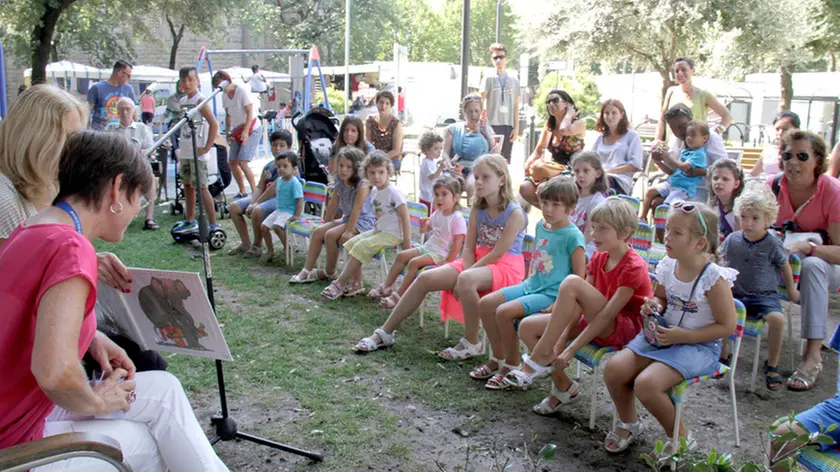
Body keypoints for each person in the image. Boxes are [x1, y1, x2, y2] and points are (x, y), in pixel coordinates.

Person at [0, 130, 229, 471]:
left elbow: (26, 318)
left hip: (18, 410)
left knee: (163, 390)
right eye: (139, 197)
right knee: (153, 444)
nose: (138, 211)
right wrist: (96, 401)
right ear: (117, 189)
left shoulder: (32, 228)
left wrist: (93, 337)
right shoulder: (70, 247)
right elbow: (55, 373)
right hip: (15, 440)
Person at [0, 85, 166, 373]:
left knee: (144, 357)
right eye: (71, 140)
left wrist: (90, 261)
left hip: (39, 339)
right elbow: (17, 298)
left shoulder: (37, 187)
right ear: (36, 140)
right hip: (22, 355)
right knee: (147, 365)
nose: (78, 152)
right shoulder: (5, 199)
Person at [353, 154, 526, 358]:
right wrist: (466, 270)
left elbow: (498, 254)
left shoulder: (515, 213)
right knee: (426, 278)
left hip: (506, 266)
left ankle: (471, 342)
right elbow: (469, 249)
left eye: (485, 177)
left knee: (467, 280)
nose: (478, 182)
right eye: (476, 177)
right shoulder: (477, 208)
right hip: (477, 261)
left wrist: (465, 275)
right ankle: (385, 332)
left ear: (502, 179)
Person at [602, 201, 737, 453]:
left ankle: (681, 439)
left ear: (700, 243)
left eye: (677, 233)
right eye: (667, 229)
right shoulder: (666, 265)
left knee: (647, 384)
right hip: (663, 336)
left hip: (699, 346)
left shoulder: (713, 278)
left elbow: (727, 326)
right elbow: (661, 298)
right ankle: (629, 422)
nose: (667, 237)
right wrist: (653, 305)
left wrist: (684, 335)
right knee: (614, 369)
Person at [506, 198, 652, 411]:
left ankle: (535, 361)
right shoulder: (600, 257)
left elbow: (606, 316)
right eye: (594, 227)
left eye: (603, 229)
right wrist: (561, 340)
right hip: (595, 317)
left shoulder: (634, 266)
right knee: (528, 327)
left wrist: (571, 349)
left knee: (572, 282)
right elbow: (580, 304)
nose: (594, 234)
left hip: (621, 327)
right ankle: (563, 387)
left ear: (624, 233)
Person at [470, 177, 586, 390]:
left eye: (556, 205)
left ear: (570, 208)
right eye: (545, 203)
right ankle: (498, 357)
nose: (548, 209)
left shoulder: (573, 236)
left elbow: (579, 279)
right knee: (486, 304)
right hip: (532, 284)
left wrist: (561, 306)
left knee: (504, 312)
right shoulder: (542, 226)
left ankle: (511, 364)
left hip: (552, 294)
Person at [766, 130, 840, 391]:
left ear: (818, 160)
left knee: (813, 267)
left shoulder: (832, 191)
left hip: (827, 264)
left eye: (802, 156)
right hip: (783, 263)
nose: (793, 162)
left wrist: (807, 247)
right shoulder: (772, 186)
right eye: (787, 155)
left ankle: (813, 355)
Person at [720, 182, 798, 390]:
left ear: (767, 219)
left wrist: (791, 289)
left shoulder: (772, 243)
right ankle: (723, 353)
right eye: (744, 217)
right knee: (720, 308)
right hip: (736, 292)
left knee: (777, 319)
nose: (748, 223)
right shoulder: (732, 239)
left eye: (755, 218)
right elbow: (720, 258)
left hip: (764, 295)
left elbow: (785, 266)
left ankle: (772, 363)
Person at [321, 151, 411, 299]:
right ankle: (356, 284)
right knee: (350, 244)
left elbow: (405, 217)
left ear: (389, 171)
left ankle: (339, 283)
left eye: (381, 172)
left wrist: (406, 242)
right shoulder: (374, 190)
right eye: (372, 172)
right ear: (366, 174)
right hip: (379, 231)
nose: (376, 176)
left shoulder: (394, 193)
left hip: (392, 235)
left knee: (361, 246)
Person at [368, 176, 466, 309]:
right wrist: (424, 226)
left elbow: (457, 245)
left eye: (444, 194)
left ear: (456, 197)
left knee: (414, 263)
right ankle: (386, 287)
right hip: (428, 247)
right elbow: (427, 229)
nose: (439, 198)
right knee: (401, 256)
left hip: (440, 254)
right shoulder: (438, 212)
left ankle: (399, 295)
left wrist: (448, 262)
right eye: (437, 194)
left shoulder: (457, 219)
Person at [289, 147, 374, 283]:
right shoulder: (340, 180)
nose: (343, 169)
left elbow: (357, 209)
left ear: (357, 168)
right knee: (318, 232)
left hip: (362, 222)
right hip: (347, 218)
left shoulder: (362, 185)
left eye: (348, 167)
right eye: (341, 165)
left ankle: (330, 272)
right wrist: (326, 223)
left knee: (330, 235)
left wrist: (349, 231)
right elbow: (333, 203)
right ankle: (306, 271)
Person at [228, 129, 293, 257]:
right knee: (233, 207)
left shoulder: (291, 165)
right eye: (274, 145)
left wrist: (256, 203)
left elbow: (274, 189)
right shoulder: (269, 166)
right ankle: (245, 243)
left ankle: (257, 245)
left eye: (282, 145)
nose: (277, 149)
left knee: (257, 210)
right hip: (265, 198)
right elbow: (260, 187)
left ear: (289, 147)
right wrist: (252, 201)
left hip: (281, 201)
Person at [651, 104, 728, 206]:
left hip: (703, 188)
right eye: (673, 129)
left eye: (682, 126)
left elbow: (725, 168)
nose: (679, 132)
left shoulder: (711, 138)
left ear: (690, 120)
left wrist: (704, 171)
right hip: (680, 186)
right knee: (656, 202)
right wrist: (659, 161)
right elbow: (673, 171)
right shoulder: (676, 140)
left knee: (680, 208)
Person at [174, 67, 220, 234]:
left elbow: (214, 124)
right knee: (187, 186)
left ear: (197, 81)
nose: (187, 83)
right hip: (186, 151)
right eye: (183, 80)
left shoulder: (201, 101)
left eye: (190, 80)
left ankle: (213, 223)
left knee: (202, 187)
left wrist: (207, 147)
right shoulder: (183, 101)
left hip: (198, 152)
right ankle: (189, 219)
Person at [520, 90, 585, 208]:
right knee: (525, 188)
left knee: (542, 189)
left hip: (573, 170)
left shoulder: (579, 124)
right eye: (548, 101)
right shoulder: (549, 125)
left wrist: (569, 114)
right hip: (553, 169)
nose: (551, 104)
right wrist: (528, 166)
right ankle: (553, 215)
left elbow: (564, 130)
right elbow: (538, 150)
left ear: (566, 103)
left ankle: (560, 217)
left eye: (555, 100)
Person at [641, 120, 710, 219]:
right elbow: (673, 172)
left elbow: (683, 167)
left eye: (693, 135)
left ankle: (664, 228)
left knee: (666, 207)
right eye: (687, 135)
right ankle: (642, 218)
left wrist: (667, 157)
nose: (689, 138)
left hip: (682, 188)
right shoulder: (685, 152)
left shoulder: (699, 155)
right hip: (671, 183)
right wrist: (659, 161)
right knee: (650, 192)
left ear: (704, 138)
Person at [654, 56, 732, 142]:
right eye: (676, 71)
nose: (680, 73)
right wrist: (657, 140)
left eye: (683, 70)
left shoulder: (703, 95)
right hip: (674, 148)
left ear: (692, 71)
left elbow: (727, 116)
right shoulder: (671, 92)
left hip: (695, 149)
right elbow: (662, 119)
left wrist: (715, 133)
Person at [111, 97, 158, 231]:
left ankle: (149, 218)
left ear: (133, 111)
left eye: (128, 109)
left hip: (138, 165)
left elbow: (149, 148)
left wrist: (135, 156)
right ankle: (118, 216)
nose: (125, 112)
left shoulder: (142, 128)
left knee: (151, 179)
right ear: (117, 112)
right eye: (122, 109)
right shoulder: (111, 128)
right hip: (118, 167)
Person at [212, 71, 260, 199]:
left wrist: (246, 131)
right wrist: (227, 131)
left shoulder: (241, 91)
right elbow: (228, 114)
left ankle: (255, 191)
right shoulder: (224, 96)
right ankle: (242, 191)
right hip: (237, 128)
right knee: (233, 161)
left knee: (243, 161)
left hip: (251, 127)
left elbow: (250, 112)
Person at [444, 94, 498, 200]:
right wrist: (450, 167)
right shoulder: (453, 129)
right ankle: (450, 213)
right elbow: (445, 153)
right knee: (447, 183)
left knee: (472, 184)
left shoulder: (486, 129)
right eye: (470, 111)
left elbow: (496, 153)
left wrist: (485, 132)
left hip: (478, 168)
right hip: (457, 167)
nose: (473, 115)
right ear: (464, 112)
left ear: (481, 112)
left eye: (476, 111)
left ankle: (471, 214)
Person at [592, 99, 643, 195]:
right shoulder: (600, 138)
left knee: (601, 184)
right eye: (606, 113)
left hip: (619, 180)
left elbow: (635, 165)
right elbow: (591, 159)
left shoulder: (632, 136)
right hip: (597, 177)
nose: (610, 116)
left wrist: (607, 171)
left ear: (622, 115)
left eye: (614, 113)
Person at [260, 151, 303, 263]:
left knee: (277, 227)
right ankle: (270, 250)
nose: (281, 169)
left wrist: (297, 215)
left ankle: (288, 248)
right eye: (279, 166)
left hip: (289, 211)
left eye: (285, 166)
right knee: (264, 227)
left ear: (293, 168)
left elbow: (299, 199)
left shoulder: (294, 182)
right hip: (279, 210)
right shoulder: (279, 180)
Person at [481, 43, 520, 162]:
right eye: (495, 58)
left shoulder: (514, 79)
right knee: (491, 159)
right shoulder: (488, 78)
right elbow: (481, 101)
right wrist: (482, 124)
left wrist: (516, 128)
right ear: (492, 60)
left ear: (506, 59)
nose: (498, 60)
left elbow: (515, 105)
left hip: (508, 125)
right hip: (491, 124)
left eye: (501, 57)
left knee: (505, 160)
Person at [570, 151, 608, 258]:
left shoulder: (597, 202)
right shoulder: (572, 196)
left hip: (587, 250)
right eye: (577, 171)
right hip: (570, 244)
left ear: (598, 173)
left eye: (586, 170)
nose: (580, 175)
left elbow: (588, 235)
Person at [87, 60, 136, 130]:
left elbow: (133, 112)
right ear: (119, 72)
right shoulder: (96, 88)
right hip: (100, 132)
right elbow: (88, 111)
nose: (129, 78)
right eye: (128, 75)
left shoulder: (129, 89)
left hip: (121, 132)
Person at [751, 111, 800, 177]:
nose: (780, 132)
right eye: (777, 129)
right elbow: (753, 174)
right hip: (766, 185)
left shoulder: (802, 152)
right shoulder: (769, 150)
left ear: (797, 130)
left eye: (785, 129)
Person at [366, 91, 404, 174]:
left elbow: (396, 150)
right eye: (381, 102)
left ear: (391, 106)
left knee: (377, 168)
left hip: (392, 158)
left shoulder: (396, 123)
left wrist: (379, 159)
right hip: (374, 157)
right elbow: (368, 144)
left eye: (387, 103)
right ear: (376, 103)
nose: (384, 106)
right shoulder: (370, 121)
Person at [706, 158, 744, 240]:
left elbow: (739, 239)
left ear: (736, 184)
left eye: (725, 179)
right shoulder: (712, 204)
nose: (718, 182)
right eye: (715, 178)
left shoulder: (741, 207)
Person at [417, 131, 448, 213]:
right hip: (428, 197)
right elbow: (433, 177)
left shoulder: (432, 161)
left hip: (432, 195)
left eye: (441, 148)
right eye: (436, 148)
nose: (439, 151)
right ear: (426, 150)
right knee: (429, 217)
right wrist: (440, 168)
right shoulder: (426, 163)